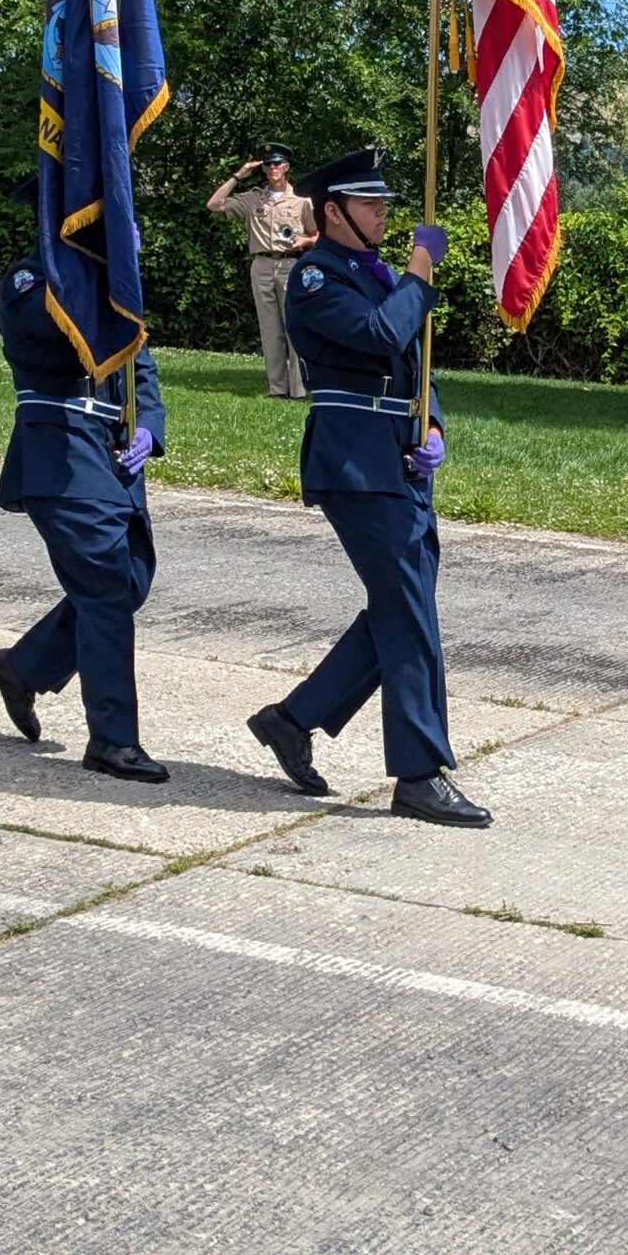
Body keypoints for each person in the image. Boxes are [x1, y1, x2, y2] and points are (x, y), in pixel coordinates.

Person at [245, 148, 490, 828]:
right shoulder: (316, 279)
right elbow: (383, 334)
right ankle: (418, 774)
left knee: (402, 606)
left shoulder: (372, 274)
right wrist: (421, 268)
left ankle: (294, 719)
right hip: (355, 464)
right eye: (370, 203)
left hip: (399, 460)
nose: (384, 213)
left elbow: (414, 361)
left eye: (385, 203)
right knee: (409, 614)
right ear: (333, 212)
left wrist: (431, 422)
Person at [0, 185, 172, 784]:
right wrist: (110, 270)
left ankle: (24, 668)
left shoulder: (111, 288)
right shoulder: (29, 280)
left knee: (130, 578)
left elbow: (139, 362)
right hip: (60, 449)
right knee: (107, 588)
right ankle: (113, 740)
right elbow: (63, 326)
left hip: (112, 455)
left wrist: (150, 424)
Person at [207, 146, 316, 399]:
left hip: (290, 264)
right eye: (268, 165)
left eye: (277, 164)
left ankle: (298, 390)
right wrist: (238, 175)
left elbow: (317, 234)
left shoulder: (302, 201)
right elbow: (214, 204)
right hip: (262, 264)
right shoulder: (253, 198)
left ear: (286, 167)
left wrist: (305, 242)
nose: (272, 169)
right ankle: (277, 389)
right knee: (269, 330)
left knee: (294, 326)